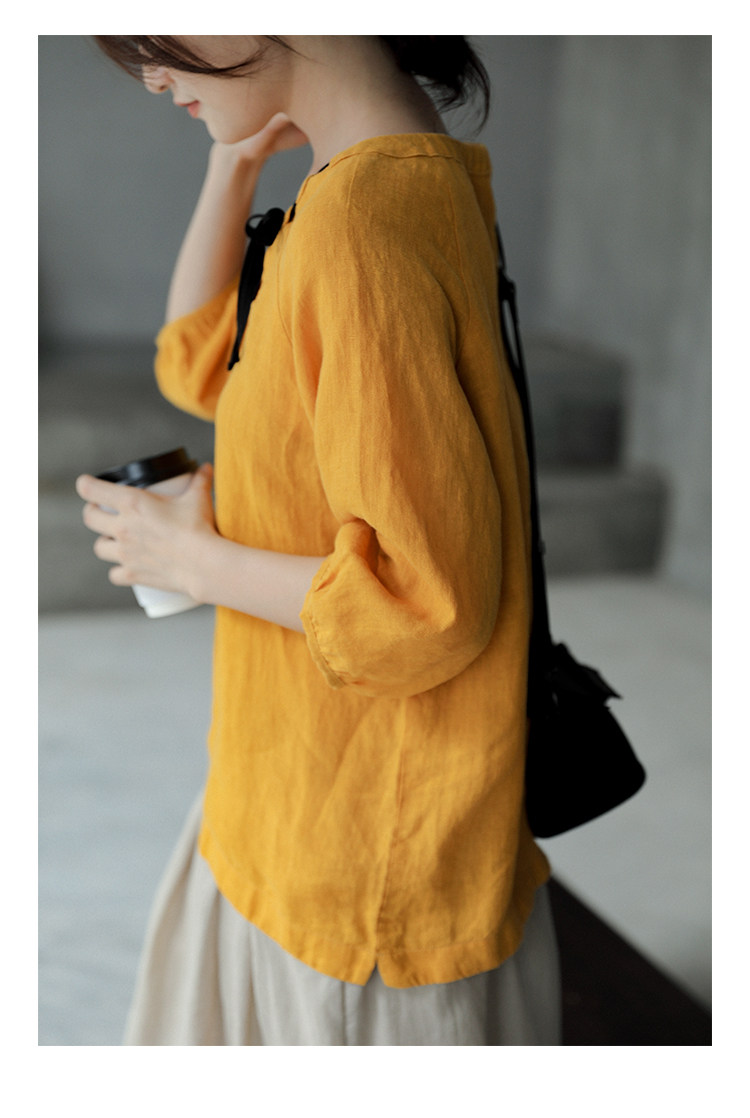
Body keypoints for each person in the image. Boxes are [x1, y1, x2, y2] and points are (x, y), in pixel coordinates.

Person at [76, 35, 562, 1046]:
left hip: (352, 858)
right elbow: (200, 365)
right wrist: (236, 161)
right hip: (300, 782)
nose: (151, 74)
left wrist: (193, 560)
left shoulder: (358, 226)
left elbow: (423, 608)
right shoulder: (391, 186)